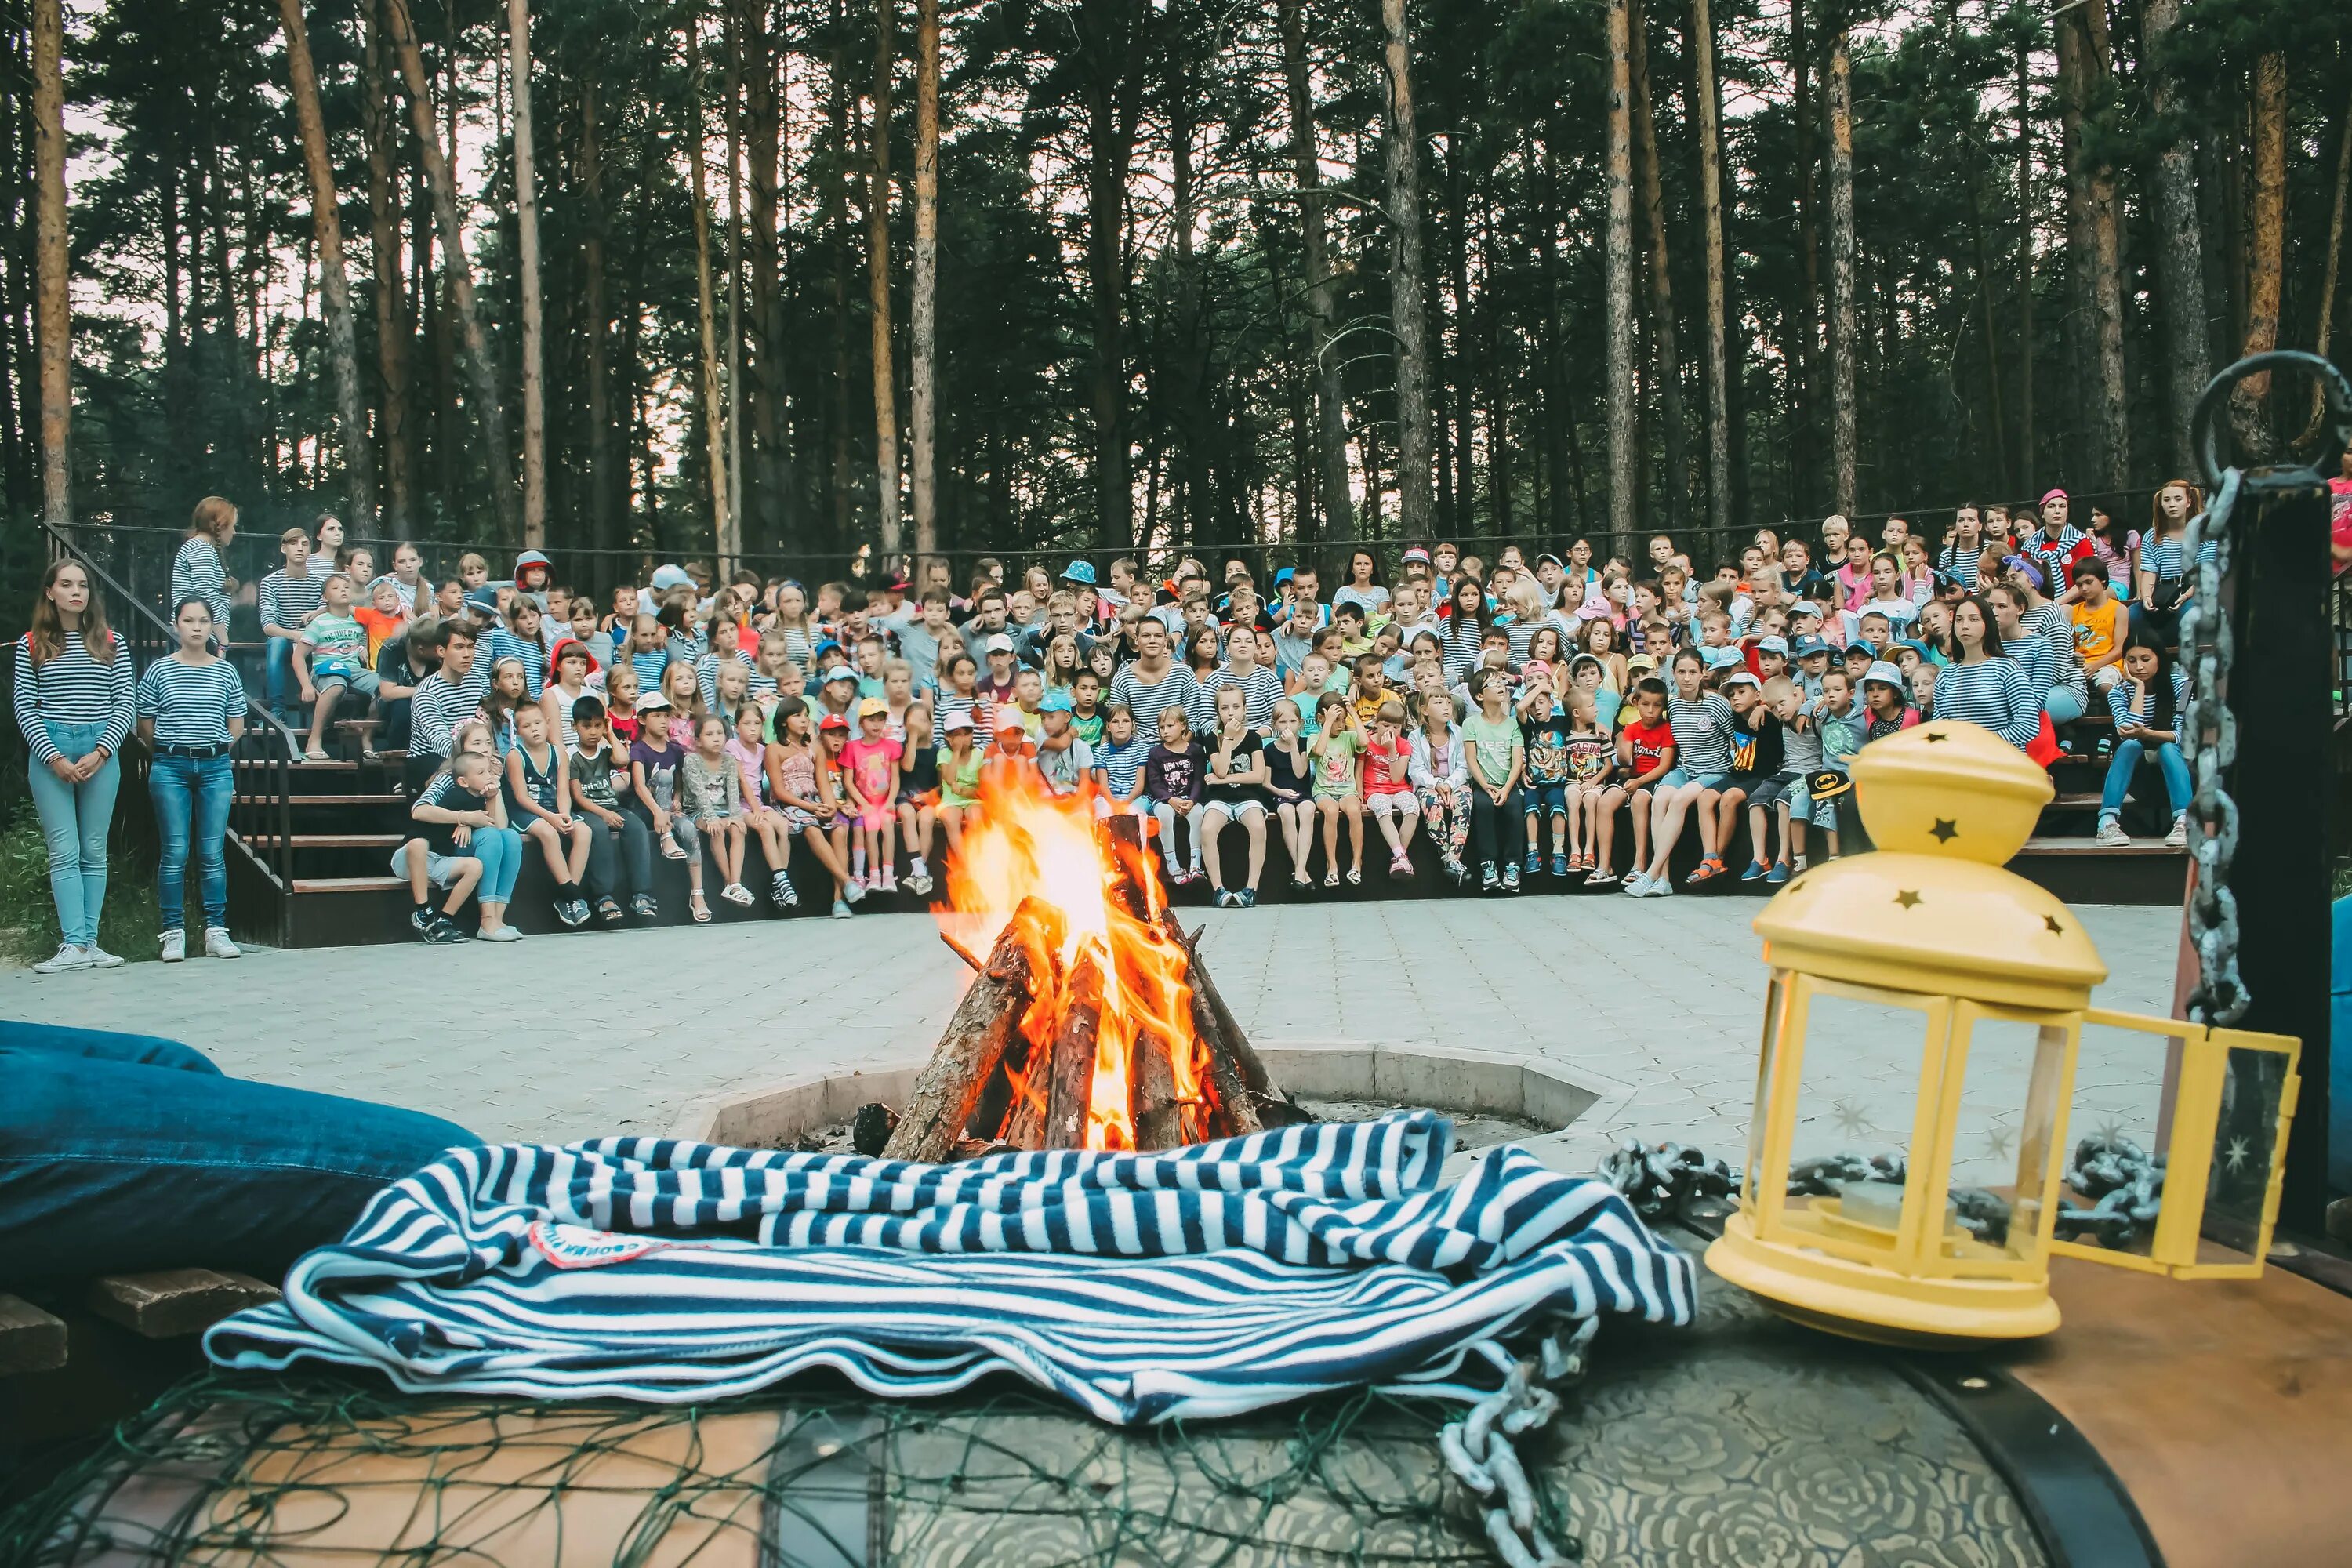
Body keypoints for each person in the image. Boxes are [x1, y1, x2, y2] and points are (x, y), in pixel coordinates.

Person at [16, 559, 135, 973]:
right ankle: (74, 946)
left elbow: (126, 704)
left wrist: (101, 751)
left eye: (82, 585)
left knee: (94, 848)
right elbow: (24, 705)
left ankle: (90, 941)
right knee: (63, 849)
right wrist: (54, 756)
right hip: (51, 747)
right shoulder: (31, 643)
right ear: (51, 592)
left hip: (99, 746)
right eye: (66, 585)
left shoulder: (111, 641)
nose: (75, 592)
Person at [136, 596, 246, 961]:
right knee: (175, 852)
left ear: (212, 626)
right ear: (176, 625)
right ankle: (173, 933)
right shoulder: (158, 670)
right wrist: (171, 751)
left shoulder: (226, 671)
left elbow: (237, 723)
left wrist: (216, 747)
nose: (197, 627)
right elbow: (146, 725)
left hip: (215, 768)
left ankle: (216, 930)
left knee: (212, 852)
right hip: (171, 767)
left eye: (203, 621)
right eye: (189, 620)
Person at [403, 737, 524, 942]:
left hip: (451, 851)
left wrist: (494, 795)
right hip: (432, 851)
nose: (485, 749)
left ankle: (496, 918)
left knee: (511, 836)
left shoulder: (482, 787)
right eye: (476, 744)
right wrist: (464, 818)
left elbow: (500, 824)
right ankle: (484, 919)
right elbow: (420, 811)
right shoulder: (451, 782)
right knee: (490, 836)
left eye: (488, 743)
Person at [503, 702, 593, 927]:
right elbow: (521, 798)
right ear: (518, 731)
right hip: (526, 811)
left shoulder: (559, 752)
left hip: (554, 808)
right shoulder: (516, 756)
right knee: (548, 833)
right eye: (526, 726)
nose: (534, 729)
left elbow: (563, 790)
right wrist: (551, 819)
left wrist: (564, 814)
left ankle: (567, 899)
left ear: (548, 723)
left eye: (537, 723)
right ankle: (574, 896)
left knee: (583, 831)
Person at [2096, 638, 2192, 849]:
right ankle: (2107, 823)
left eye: (2146, 659)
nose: (2139, 667)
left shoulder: (2183, 687)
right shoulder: (2118, 692)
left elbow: (2181, 735)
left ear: (2160, 659)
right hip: (2139, 779)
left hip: (2181, 771)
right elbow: (2128, 733)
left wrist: (2147, 733)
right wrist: (2139, 688)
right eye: (2131, 660)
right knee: (2130, 746)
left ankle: (2184, 822)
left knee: (2168, 747)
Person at [771, 699, 857, 917]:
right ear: (783, 721)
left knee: (839, 828)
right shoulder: (774, 749)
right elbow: (779, 791)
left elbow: (823, 783)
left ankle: (839, 900)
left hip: (815, 801)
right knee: (810, 827)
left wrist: (830, 806)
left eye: (806, 715)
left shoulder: (814, 749)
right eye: (797, 715)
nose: (803, 720)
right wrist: (809, 807)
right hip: (791, 805)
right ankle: (847, 881)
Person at [566, 695, 647, 924]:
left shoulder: (604, 750)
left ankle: (642, 893)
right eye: (587, 726)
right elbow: (577, 796)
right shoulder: (572, 755)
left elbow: (623, 759)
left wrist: (610, 733)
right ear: (575, 726)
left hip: (612, 806)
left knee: (637, 827)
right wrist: (603, 814)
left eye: (598, 725)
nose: (593, 732)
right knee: (599, 831)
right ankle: (604, 896)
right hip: (589, 811)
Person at [1929, 595, 2040, 748]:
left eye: (1973, 619)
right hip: (1961, 762)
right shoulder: (1946, 674)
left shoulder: (2007, 669)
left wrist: (1983, 742)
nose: (1964, 626)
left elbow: (2028, 725)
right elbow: (1939, 726)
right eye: (1959, 620)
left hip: (2002, 762)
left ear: (1987, 625)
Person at [1200, 684, 1270, 906]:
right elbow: (1219, 769)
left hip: (1249, 796)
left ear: (1245, 709)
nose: (1231, 712)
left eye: (1236, 706)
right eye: (1225, 707)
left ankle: (1251, 889)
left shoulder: (1253, 738)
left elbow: (1258, 776)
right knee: (1207, 829)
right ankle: (1218, 890)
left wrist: (1226, 779)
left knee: (1258, 826)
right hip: (1219, 798)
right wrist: (1227, 739)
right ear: (1218, 711)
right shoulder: (1212, 739)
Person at [293, 572, 376, 761]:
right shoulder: (319, 622)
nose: (343, 590)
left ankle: (367, 739)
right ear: (325, 597)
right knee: (338, 685)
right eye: (336, 588)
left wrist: (362, 647)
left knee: (384, 686)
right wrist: (306, 685)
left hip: (354, 669)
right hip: (326, 668)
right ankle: (314, 740)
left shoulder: (358, 622)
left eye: (346, 587)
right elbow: (298, 656)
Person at [1460, 668, 1526, 893]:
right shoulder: (1471, 724)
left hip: (1509, 785)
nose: (1500, 687)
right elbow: (1471, 759)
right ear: (1480, 696)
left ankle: (1513, 866)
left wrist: (1507, 789)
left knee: (1515, 810)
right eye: (1493, 684)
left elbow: (1517, 762)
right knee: (1484, 808)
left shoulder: (1513, 724)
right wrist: (1485, 785)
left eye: (1501, 682)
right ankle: (1488, 866)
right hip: (1483, 785)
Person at [683, 712, 753, 916]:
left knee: (738, 831)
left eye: (720, 733)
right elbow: (699, 794)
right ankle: (728, 881)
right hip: (697, 810)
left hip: (723, 809)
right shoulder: (691, 761)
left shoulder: (730, 761)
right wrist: (712, 818)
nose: (716, 738)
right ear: (698, 741)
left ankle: (736, 884)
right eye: (709, 734)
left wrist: (736, 817)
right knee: (718, 831)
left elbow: (733, 792)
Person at [1614, 677, 1675, 895]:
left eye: (1657, 706)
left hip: (1651, 779)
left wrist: (1638, 781)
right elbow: (1625, 761)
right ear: (1636, 702)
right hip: (1632, 778)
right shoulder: (1630, 729)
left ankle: (1640, 862)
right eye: (1645, 704)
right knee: (1605, 801)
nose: (1650, 711)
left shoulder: (1666, 729)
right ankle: (1604, 865)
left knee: (1640, 799)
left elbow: (1665, 766)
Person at [1306, 690, 1367, 889]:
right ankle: (1331, 865)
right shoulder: (1314, 737)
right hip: (1323, 790)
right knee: (1331, 812)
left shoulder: (1348, 737)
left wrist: (1353, 713)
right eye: (1336, 720)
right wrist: (1327, 723)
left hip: (1347, 789)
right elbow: (1319, 751)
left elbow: (1364, 742)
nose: (1340, 725)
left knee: (1353, 810)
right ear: (1321, 718)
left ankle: (1356, 864)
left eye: (1343, 720)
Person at [1361, 698, 1421, 879]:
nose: (1390, 731)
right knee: (1382, 808)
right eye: (1386, 725)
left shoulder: (1404, 745)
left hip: (1398, 788)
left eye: (1396, 727)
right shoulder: (1367, 741)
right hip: (1374, 790)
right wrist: (1358, 796)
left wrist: (1392, 749)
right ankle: (1401, 856)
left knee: (1412, 807)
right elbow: (1358, 771)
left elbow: (1396, 778)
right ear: (1377, 723)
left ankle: (1399, 857)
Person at [171, 496, 238, 641]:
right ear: (221, 525)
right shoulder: (201, 549)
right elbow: (207, 594)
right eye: (233, 526)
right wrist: (223, 638)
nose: (234, 532)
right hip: (198, 634)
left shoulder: (202, 548)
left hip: (200, 633)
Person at [2067, 557, 2128, 694]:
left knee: (2105, 684)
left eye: (2089, 582)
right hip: (2079, 667)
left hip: (2109, 665)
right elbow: (2070, 647)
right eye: (2079, 585)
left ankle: (2121, 713)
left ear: (2102, 581)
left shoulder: (2118, 609)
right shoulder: (2073, 611)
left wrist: (2095, 666)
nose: (2084, 588)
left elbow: (2120, 650)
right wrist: (2074, 656)